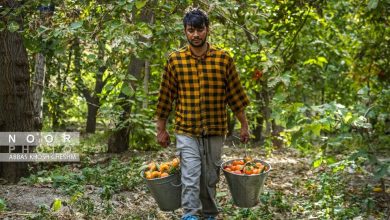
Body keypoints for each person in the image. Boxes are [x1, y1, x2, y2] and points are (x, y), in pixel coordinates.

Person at [156, 7, 250, 220]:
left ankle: (209, 214)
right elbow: (165, 98)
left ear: (208, 30)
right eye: (191, 30)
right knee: (190, 176)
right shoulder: (175, 60)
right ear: (185, 32)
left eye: (200, 30)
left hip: (215, 129)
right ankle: (190, 215)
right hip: (186, 130)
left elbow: (235, 96)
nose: (195, 35)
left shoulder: (223, 59)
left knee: (210, 177)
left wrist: (244, 125)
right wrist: (161, 130)